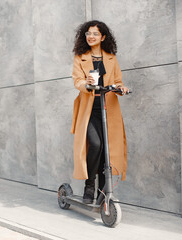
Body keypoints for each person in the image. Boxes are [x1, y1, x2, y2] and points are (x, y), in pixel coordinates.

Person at [70, 20, 129, 204]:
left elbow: (118, 81)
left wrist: (122, 88)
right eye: (88, 33)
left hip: (108, 107)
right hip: (89, 108)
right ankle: (90, 185)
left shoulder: (111, 57)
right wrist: (86, 84)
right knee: (95, 144)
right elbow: (77, 81)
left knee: (107, 150)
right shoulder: (80, 57)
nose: (91, 37)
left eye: (95, 34)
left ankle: (104, 191)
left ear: (103, 37)